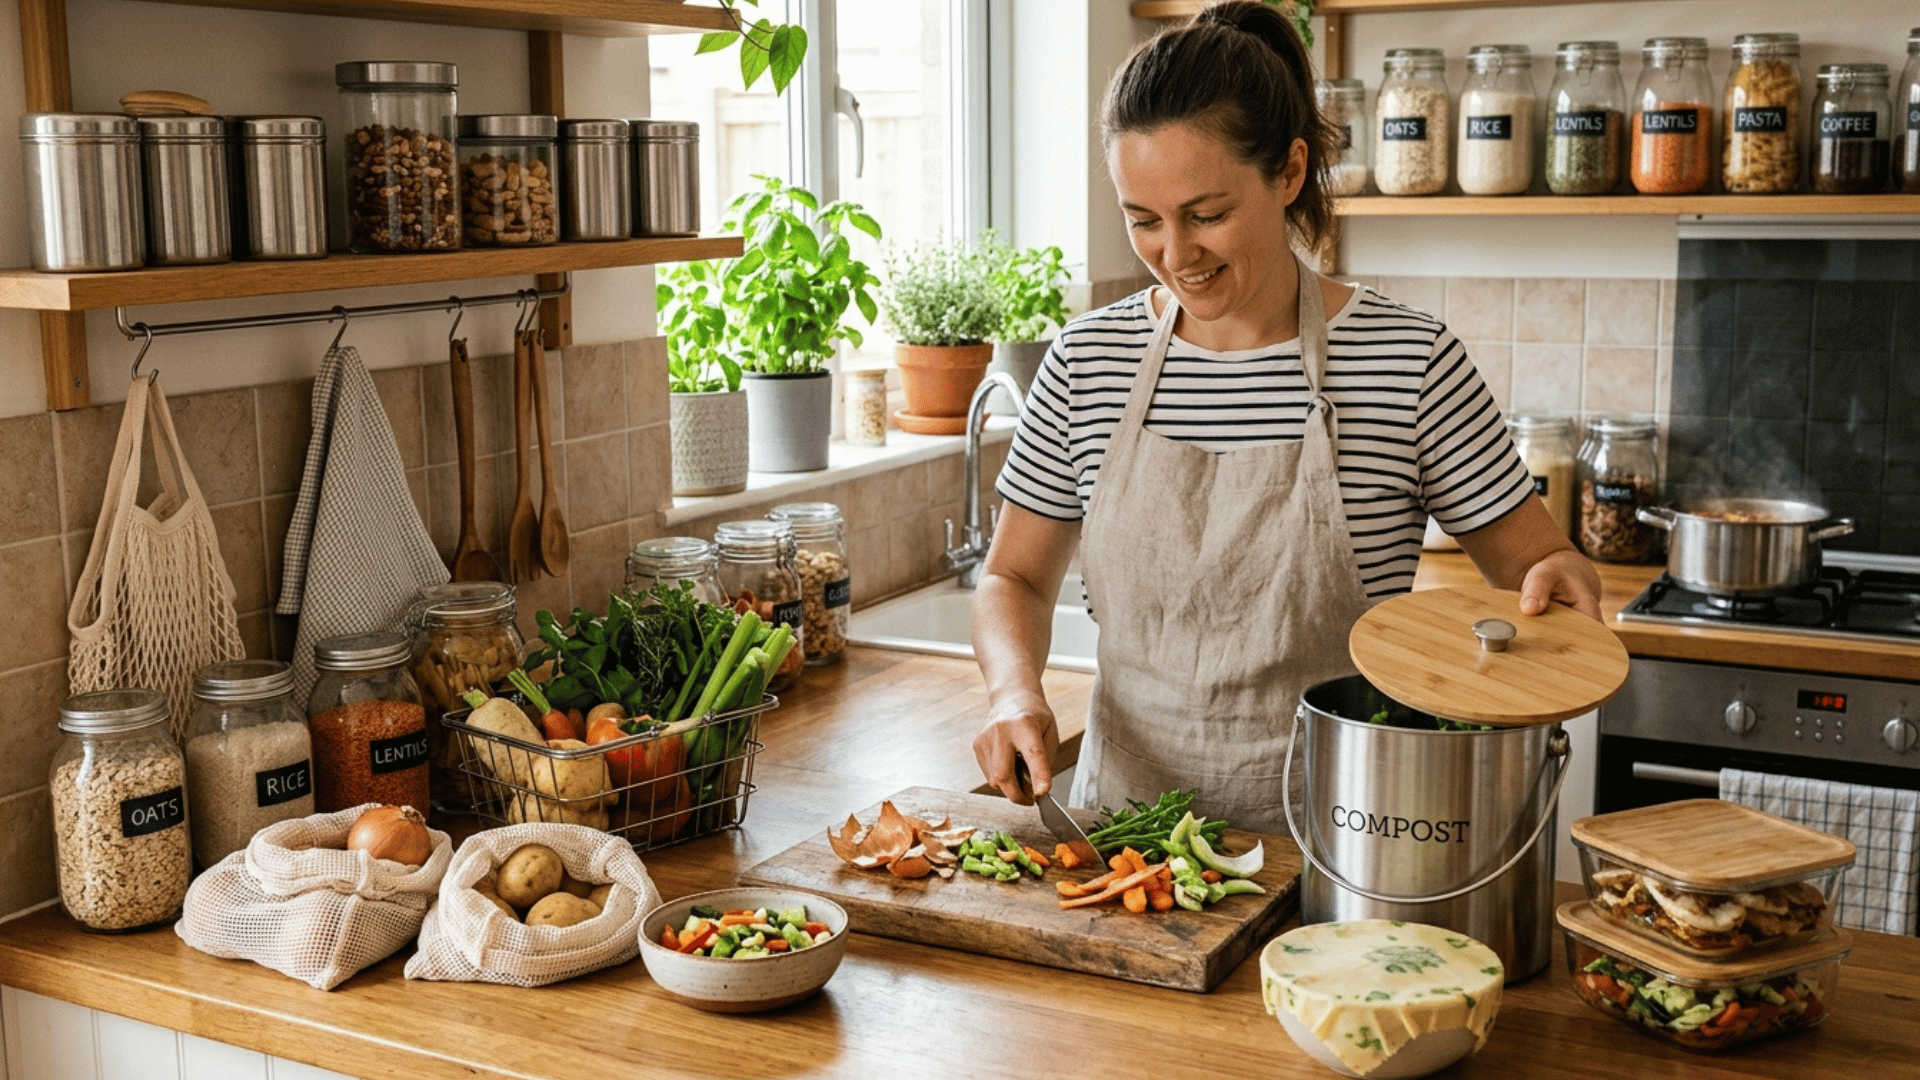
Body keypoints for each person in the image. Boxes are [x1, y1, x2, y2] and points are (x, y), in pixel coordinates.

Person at [969, 0, 1602, 834]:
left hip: (1349, 850)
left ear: (1291, 171)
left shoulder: (1408, 361)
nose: (1176, 255)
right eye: (1143, 221)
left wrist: (1561, 585)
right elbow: (1013, 578)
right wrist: (1014, 692)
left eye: (1207, 214)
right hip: (1127, 852)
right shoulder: (1088, 362)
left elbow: (1542, 570)